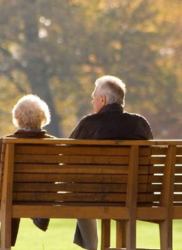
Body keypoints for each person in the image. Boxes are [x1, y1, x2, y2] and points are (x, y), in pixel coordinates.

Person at [70, 75, 154, 250]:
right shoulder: (140, 124)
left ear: (102, 99)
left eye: (94, 98)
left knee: (80, 190)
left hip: (96, 196)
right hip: (137, 195)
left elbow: (66, 155)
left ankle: (91, 246)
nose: (93, 102)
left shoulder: (89, 123)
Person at [0, 94, 54, 247]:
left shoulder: (7, 143)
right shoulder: (53, 144)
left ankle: (5, 245)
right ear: (43, 117)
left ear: (17, 117)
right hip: (41, 197)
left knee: (7, 192)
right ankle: (39, 215)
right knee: (15, 190)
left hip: (10, 197)